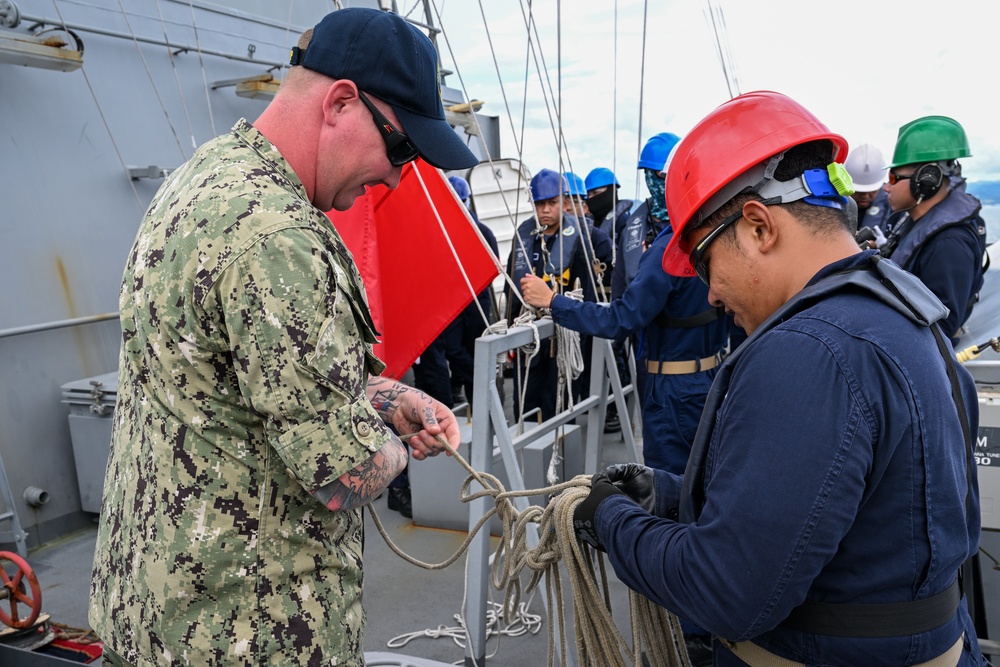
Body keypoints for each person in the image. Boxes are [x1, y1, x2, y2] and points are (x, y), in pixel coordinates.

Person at [89, 9, 476, 666]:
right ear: (342, 102)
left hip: (157, 611)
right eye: (402, 148)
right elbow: (343, 475)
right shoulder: (283, 241)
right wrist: (406, 448)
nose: (394, 177)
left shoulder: (198, 181)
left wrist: (388, 398)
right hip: (246, 633)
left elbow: (250, 379)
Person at [572, 91, 985, 666]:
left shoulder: (806, 352)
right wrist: (670, 497)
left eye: (706, 264)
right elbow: (863, 521)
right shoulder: (911, 315)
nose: (711, 293)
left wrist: (609, 519)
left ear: (759, 226)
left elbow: (726, 593)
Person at [505, 168, 604, 420]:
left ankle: (560, 457)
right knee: (524, 407)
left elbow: (588, 296)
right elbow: (511, 294)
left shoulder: (581, 240)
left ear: (565, 203)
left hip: (564, 342)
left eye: (552, 203)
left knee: (559, 408)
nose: (545, 210)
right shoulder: (523, 238)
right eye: (539, 204)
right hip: (529, 343)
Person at [881, 115, 989, 343]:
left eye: (893, 177)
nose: (886, 187)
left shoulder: (949, 243)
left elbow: (942, 326)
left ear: (926, 180)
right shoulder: (915, 220)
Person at [844, 142, 893, 231]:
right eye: (859, 191)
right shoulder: (834, 203)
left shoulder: (893, 207)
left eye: (872, 191)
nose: (865, 196)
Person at [585, 166, 633, 246]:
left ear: (611, 191)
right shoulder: (588, 223)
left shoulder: (624, 223)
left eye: (595, 193)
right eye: (588, 195)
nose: (590, 198)